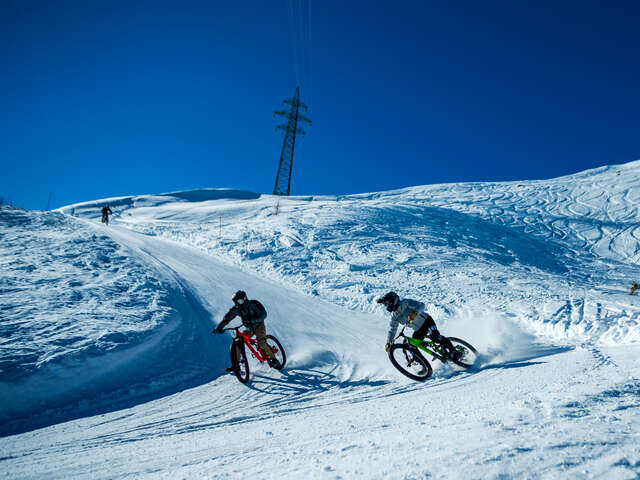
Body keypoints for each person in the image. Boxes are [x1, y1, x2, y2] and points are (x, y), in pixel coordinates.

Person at [377, 291, 460, 360]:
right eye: (385, 304)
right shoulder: (394, 317)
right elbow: (392, 329)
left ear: (393, 300)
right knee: (412, 347)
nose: (387, 305)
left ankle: (454, 351)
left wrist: (415, 313)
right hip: (418, 330)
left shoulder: (405, 303)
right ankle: (422, 365)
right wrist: (388, 342)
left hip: (427, 322)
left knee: (435, 337)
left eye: (387, 302)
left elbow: (421, 305)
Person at [214, 290, 280, 369]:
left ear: (245, 298)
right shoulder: (236, 309)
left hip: (259, 326)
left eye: (239, 301)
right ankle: (236, 364)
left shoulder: (254, 304)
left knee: (261, 343)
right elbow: (226, 319)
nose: (238, 303)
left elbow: (264, 314)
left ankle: (274, 359)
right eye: (236, 302)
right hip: (249, 328)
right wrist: (219, 327)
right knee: (238, 341)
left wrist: (255, 320)